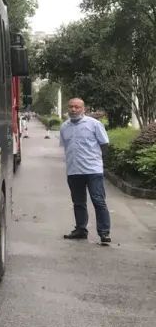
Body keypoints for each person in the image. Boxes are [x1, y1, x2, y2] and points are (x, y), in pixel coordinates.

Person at [60, 97, 111, 245]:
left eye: (77, 107)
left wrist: (99, 162)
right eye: (71, 107)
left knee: (98, 201)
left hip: (93, 170)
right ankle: (81, 230)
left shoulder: (94, 124)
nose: (73, 109)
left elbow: (104, 144)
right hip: (74, 171)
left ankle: (104, 233)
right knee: (78, 202)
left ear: (84, 109)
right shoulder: (64, 127)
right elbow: (66, 147)